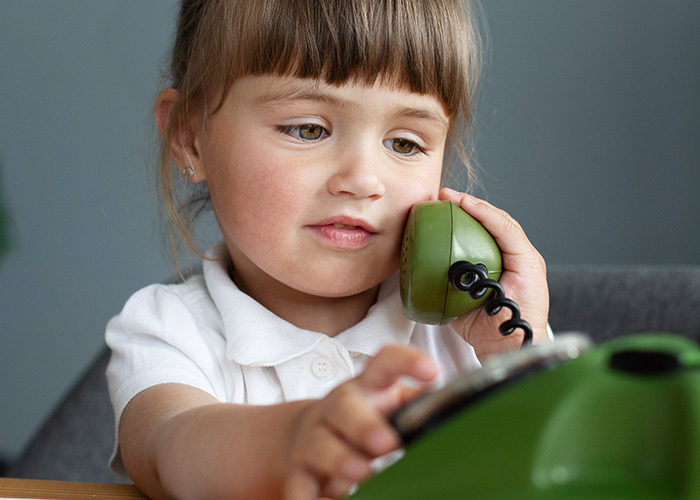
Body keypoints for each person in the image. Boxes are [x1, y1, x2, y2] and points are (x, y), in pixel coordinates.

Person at [105, 0, 550, 498]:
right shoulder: (168, 331)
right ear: (190, 137)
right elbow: (169, 450)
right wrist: (289, 440)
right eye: (308, 129)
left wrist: (515, 353)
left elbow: (563, 469)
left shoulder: (477, 336)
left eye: (404, 143)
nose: (363, 180)